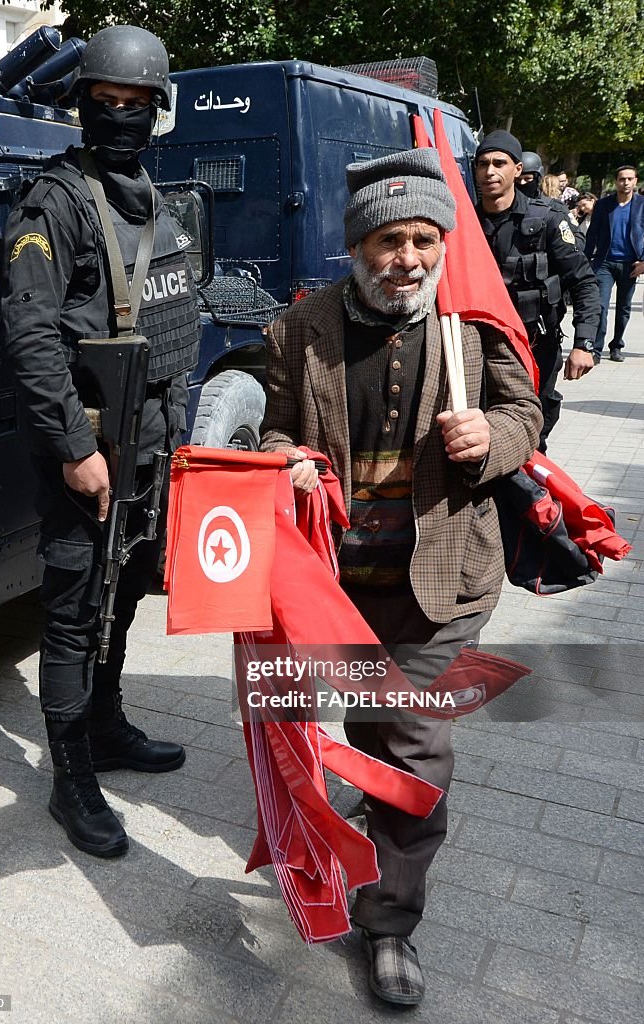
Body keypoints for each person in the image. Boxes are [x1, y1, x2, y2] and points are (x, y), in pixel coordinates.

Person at [260, 149, 543, 1006]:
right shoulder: (298, 329)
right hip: (335, 588)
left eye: (425, 239)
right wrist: (287, 461)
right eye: (390, 240)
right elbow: (270, 432)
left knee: (417, 753)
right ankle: (360, 820)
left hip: (443, 587)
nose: (409, 259)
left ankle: (389, 924)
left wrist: (490, 442)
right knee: (365, 729)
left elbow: (524, 413)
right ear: (356, 245)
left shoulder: (472, 325)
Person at [0, 25, 201, 858]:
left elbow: (173, 313)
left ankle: (108, 726)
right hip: (88, 453)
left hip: (150, 447)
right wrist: (77, 452)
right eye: (104, 103)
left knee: (124, 596)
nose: (118, 117)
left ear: (157, 111)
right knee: (75, 610)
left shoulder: (157, 199)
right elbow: (32, 337)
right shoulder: (54, 201)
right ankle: (69, 774)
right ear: (83, 106)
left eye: (134, 104)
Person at [474, 130, 599, 449]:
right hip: (479, 350)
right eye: (483, 163)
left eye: (499, 163)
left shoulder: (547, 219)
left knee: (532, 435)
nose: (490, 171)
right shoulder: (463, 223)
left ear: (516, 170)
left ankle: (533, 497)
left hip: (536, 346)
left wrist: (584, 344)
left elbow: (583, 281)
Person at [584, 165, 644, 363]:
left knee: (624, 308)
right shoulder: (603, 205)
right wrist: (586, 259)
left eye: (629, 179)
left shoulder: (642, 204)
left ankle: (617, 345)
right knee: (600, 306)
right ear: (616, 181)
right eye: (622, 179)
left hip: (631, 264)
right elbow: (592, 233)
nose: (625, 183)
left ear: (635, 181)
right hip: (605, 263)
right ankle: (596, 349)